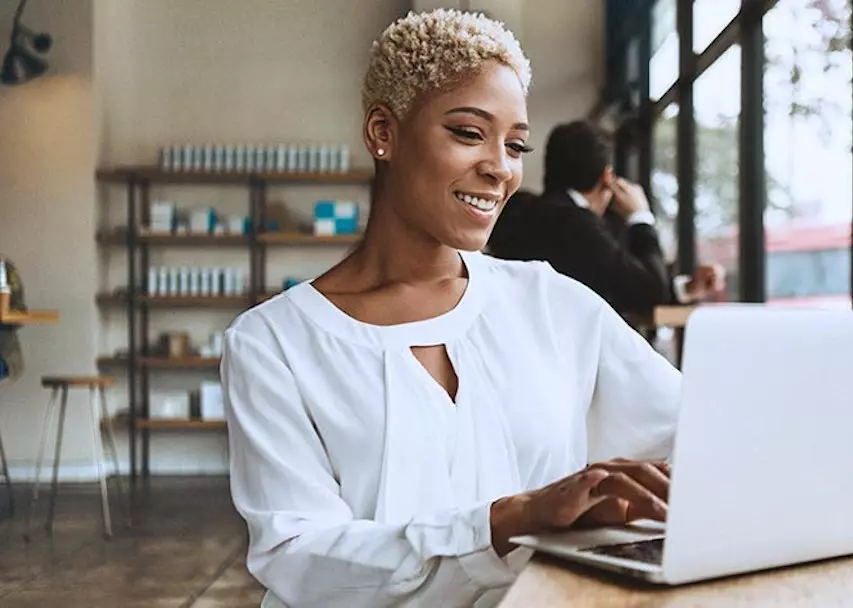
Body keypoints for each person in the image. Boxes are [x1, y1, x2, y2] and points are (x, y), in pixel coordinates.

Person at [221, 9, 680, 608]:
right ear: (383, 132)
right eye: (469, 133)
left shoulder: (552, 303)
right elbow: (300, 559)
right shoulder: (272, 343)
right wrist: (504, 521)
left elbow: (695, 434)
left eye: (515, 144)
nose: (500, 167)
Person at [486, 120, 722, 319]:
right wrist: (640, 217)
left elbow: (620, 280)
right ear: (607, 177)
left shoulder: (516, 210)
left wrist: (686, 288)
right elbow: (650, 289)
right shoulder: (578, 226)